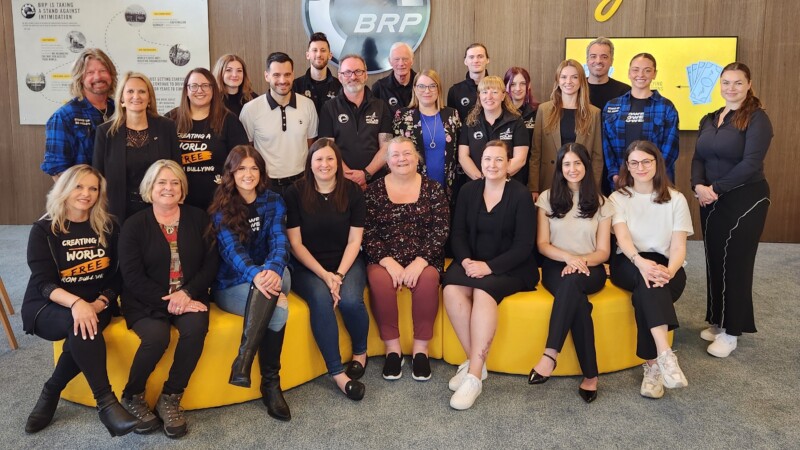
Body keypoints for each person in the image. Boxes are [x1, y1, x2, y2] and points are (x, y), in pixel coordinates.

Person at [21, 165, 140, 436]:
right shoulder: (44, 229)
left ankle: (51, 390)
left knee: (84, 327)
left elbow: (116, 276)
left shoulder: (109, 226)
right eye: (79, 186)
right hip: (50, 304)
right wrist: (77, 304)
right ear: (65, 188)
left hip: (98, 303)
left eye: (93, 188)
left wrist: (99, 303)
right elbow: (43, 283)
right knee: (81, 324)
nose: (86, 194)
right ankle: (106, 403)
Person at [118, 160, 218, 438]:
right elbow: (131, 276)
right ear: (150, 188)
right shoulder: (134, 225)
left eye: (175, 182)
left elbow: (211, 264)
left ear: (182, 189)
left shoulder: (199, 218)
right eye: (161, 182)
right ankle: (132, 394)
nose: (168, 187)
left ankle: (170, 397)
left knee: (196, 328)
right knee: (157, 337)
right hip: (145, 300)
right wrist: (171, 301)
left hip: (191, 295)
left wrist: (185, 294)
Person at [443, 140, 538, 410]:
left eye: (499, 160)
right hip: (472, 261)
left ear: (509, 164)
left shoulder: (520, 195)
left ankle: (473, 376)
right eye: (487, 159)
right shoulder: (468, 190)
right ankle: (477, 362)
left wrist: (489, 267)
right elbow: (458, 233)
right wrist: (465, 261)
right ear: (480, 162)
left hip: (511, 266)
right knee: (451, 288)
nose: (492, 165)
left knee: (484, 291)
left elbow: (524, 246)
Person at [692, 62, 772, 358]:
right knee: (715, 259)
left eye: (738, 83)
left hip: (745, 199)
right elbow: (698, 156)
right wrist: (697, 185)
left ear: (748, 84)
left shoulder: (757, 119)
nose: (731, 88)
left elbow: (751, 163)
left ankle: (732, 331)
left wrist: (715, 189)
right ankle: (717, 320)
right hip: (711, 199)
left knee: (736, 263)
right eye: (726, 82)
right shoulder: (711, 118)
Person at [209, 145, 292, 419]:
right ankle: (271, 384)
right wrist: (257, 275)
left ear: (261, 172)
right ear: (231, 172)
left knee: (277, 280)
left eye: (254, 168)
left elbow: (280, 241)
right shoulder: (221, 208)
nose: (248, 173)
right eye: (241, 168)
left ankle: (243, 362)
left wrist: (270, 269)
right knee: (278, 311)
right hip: (233, 282)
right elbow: (232, 253)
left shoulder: (274, 200)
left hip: (274, 271)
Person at [526, 143, 612, 404]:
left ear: (586, 166)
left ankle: (550, 355)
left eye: (577, 163)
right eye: (567, 164)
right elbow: (542, 244)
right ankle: (590, 375)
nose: (572, 169)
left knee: (573, 281)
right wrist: (568, 258)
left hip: (591, 267)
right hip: (555, 265)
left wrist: (580, 261)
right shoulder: (547, 199)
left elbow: (603, 251)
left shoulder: (602, 203)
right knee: (578, 302)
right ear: (560, 168)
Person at [283, 139, 367, 401]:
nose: (325, 164)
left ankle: (360, 352)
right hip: (308, 265)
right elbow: (295, 244)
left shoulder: (353, 191)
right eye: (319, 159)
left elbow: (355, 241)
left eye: (330, 159)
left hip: (346, 260)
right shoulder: (294, 193)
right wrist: (325, 276)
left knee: (351, 300)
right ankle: (337, 373)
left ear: (338, 163)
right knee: (321, 298)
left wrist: (339, 275)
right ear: (310, 163)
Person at [609, 141, 692, 399]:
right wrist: (641, 262)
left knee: (649, 289)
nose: (640, 167)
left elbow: (679, 248)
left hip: (667, 265)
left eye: (646, 161)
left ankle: (654, 365)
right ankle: (665, 355)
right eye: (634, 163)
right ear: (627, 167)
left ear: (657, 163)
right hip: (628, 261)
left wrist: (668, 271)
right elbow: (623, 239)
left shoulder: (676, 199)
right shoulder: (618, 198)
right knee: (647, 280)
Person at [364, 137, 449, 381]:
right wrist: (387, 261)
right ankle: (393, 350)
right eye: (395, 155)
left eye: (407, 154)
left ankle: (421, 350)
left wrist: (421, 261)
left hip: (424, 257)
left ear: (417, 157)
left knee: (428, 280)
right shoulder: (373, 191)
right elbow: (366, 231)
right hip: (383, 258)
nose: (402, 159)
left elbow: (441, 229)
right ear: (387, 161)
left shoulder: (433, 189)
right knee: (380, 283)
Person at [93, 72, 180, 222]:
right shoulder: (105, 132)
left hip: (160, 209)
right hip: (118, 213)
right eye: (130, 91)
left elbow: (177, 170)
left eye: (142, 91)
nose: (136, 96)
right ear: (121, 99)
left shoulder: (166, 127)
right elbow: (97, 176)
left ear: (149, 98)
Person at [167, 67, 248, 210]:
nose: (200, 90)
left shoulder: (229, 121)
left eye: (205, 86)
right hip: (179, 202)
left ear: (213, 90)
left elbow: (242, 161)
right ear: (186, 90)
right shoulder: (170, 120)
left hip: (220, 203)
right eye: (194, 86)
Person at [239, 52, 319, 196]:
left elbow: (311, 144)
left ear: (293, 75)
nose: (282, 80)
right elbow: (247, 150)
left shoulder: (308, 105)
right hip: (265, 186)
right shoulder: (251, 109)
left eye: (287, 74)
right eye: (276, 75)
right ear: (267, 76)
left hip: (300, 184)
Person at [603, 53, 680, 189]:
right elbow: (606, 144)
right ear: (629, 73)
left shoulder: (666, 107)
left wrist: (653, 175)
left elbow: (670, 147)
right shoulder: (612, 106)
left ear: (654, 74)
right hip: (621, 182)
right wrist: (615, 174)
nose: (641, 74)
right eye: (636, 69)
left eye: (647, 70)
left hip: (656, 182)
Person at [529, 59, 602, 200]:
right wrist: (533, 187)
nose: (568, 81)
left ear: (581, 81)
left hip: (581, 182)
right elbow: (536, 153)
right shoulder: (544, 110)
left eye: (574, 77)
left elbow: (597, 157)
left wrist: (594, 187)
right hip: (549, 180)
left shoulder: (594, 113)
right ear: (557, 80)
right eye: (563, 77)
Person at [318, 54, 393, 189]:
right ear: (340, 77)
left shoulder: (381, 106)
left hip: (376, 182)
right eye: (347, 73)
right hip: (341, 183)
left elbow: (386, 147)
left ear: (365, 75)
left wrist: (366, 174)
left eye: (358, 71)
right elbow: (327, 148)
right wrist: (349, 176)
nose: (353, 77)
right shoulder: (329, 108)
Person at [42, 49, 118, 180]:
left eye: (103, 71)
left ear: (111, 74)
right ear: (80, 78)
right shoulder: (64, 117)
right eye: (90, 72)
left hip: (118, 194)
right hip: (86, 196)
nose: (98, 77)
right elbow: (58, 170)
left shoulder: (120, 110)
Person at [392, 69, 461, 203]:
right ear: (415, 89)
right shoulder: (403, 116)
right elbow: (396, 152)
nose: (427, 91)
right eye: (421, 86)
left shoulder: (452, 115)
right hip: (413, 186)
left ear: (439, 89)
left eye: (432, 86)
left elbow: (460, 150)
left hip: (448, 186)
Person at [459, 76, 530, 189]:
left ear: (503, 96)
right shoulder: (470, 123)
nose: (489, 97)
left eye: (495, 92)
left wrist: (494, 178)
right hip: (476, 185)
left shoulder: (516, 122)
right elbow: (463, 156)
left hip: (509, 186)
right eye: (485, 92)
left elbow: (520, 159)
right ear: (479, 96)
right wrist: (482, 180)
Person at [293, 32, 342, 117]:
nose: (319, 54)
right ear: (308, 55)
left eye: (323, 50)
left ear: (330, 55)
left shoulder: (340, 87)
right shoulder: (296, 86)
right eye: (315, 50)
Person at [448, 43, 490, 122]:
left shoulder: (498, 88)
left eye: (480, 56)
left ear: (487, 60)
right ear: (465, 61)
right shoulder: (455, 91)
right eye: (471, 57)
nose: (476, 60)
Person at [585, 37, 630, 111]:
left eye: (604, 57)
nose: (598, 61)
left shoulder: (625, 92)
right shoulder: (577, 89)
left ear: (611, 61)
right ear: (587, 60)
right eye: (593, 56)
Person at [372, 42, 417, 115]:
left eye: (405, 59)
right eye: (397, 59)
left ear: (412, 61)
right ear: (390, 61)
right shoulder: (379, 88)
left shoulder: (423, 84)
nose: (401, 63)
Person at [212, 54, 258, 118]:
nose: (234, 75)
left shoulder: (253, 98)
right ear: (220, 73)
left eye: (239, 71)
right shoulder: (212, 99)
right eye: (228, 70)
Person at [504, 66, 538, 134]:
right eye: (513, 84)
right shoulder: (500, 111)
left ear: (528, 86)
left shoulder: (538, 111)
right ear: (505, 86)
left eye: (522, 84)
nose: (518, 88)